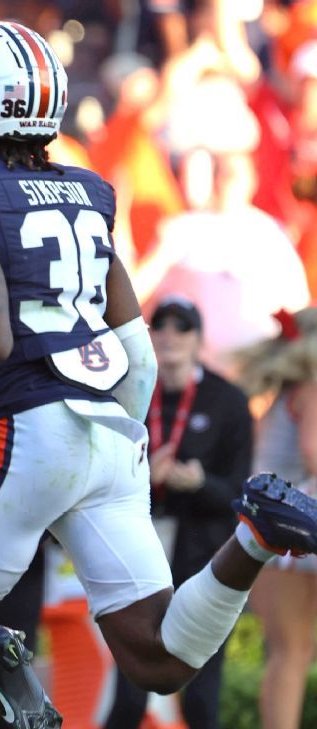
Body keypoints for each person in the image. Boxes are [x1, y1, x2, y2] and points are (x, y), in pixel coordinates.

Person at [0, 20, 317, 729]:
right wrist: (123, 446)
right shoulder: (86, 191)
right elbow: (135, 343)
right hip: (110, 428)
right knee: (159, 656)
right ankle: (257, 536)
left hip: (29, 427)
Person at [104, 297, 254, 729]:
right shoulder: (129, 390)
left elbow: (241, 491)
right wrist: (142, 476)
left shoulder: (227, 400)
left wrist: (198, 482)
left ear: (199, 340)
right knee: (129, 696)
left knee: (202, 700)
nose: (169, 335)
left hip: (201, 554)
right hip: (140, 551)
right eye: (161, 326)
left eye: (181, 327)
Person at [235, 306, 317, 729]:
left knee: (287, 651)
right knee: (293, 652)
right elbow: (314, 453)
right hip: (295, 533)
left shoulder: (288, 390)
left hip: (269, 528)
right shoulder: (312, 387)